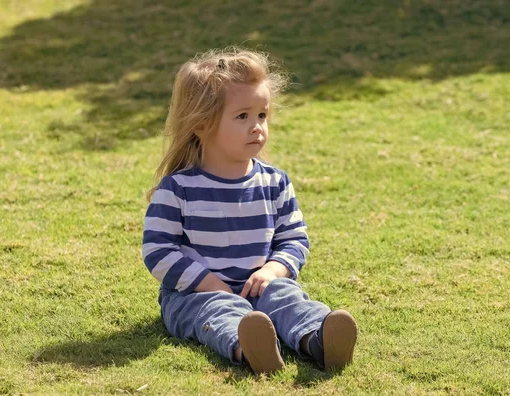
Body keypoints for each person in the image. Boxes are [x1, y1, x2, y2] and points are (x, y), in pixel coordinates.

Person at [142, 48, 357, 374]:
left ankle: (317, 339)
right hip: (194, 296)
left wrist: (273, 270)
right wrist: (207, 281)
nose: (257, 126)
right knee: (218, 310)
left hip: (259, 286)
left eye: (262, 115)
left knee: (287, 297)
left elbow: (294, 239)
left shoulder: (275, 182)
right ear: (201, 125)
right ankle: (249, 347)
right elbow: (158, 250)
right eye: (242, 116)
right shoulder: (178, 189)